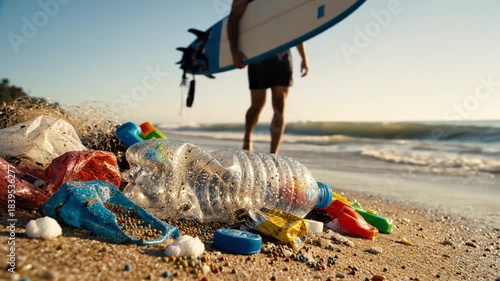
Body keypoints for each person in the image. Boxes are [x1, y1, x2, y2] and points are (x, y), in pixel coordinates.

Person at [227, 0, 309, 155]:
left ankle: (274, 154)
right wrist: (234, 52)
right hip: (258, 53)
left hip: (282, 53)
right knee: (258, 104)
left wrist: (304, 57)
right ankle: (247, 140)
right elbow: (233, 20)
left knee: (280, 102)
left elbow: (295, 24)